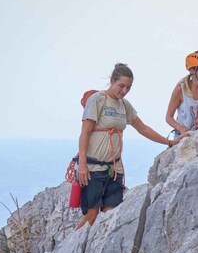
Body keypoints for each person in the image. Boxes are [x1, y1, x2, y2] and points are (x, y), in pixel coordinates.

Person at [76, 63, 185, 230]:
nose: (124, 91)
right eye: (121, 86)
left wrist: (169, 142)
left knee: (111, 215)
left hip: (115, 169)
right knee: (91, 215)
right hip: (93, 168)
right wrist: (82, 164)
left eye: (128, 87)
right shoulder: (98, 100)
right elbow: (85, 133)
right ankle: (69, 252)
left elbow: (143, 128)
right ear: (112, 81)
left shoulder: (125, 105)